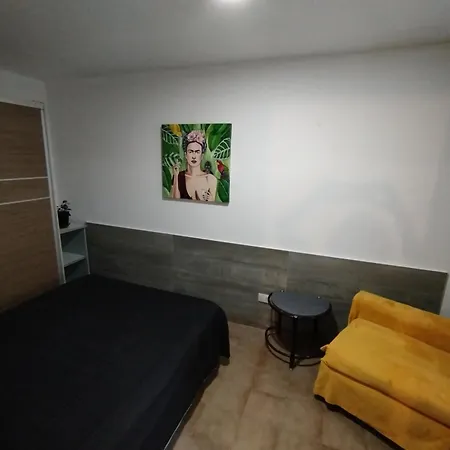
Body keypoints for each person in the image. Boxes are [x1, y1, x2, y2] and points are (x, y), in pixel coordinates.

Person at [171, 130, 218, 202]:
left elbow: (212, 205)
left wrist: (209, 199)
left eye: (197, 152)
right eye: (190, 152)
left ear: (202, 156)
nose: (194, 156)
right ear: (186, 155)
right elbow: (174, 201)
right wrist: (176, 176)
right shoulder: (179, 176)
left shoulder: (210, 179)